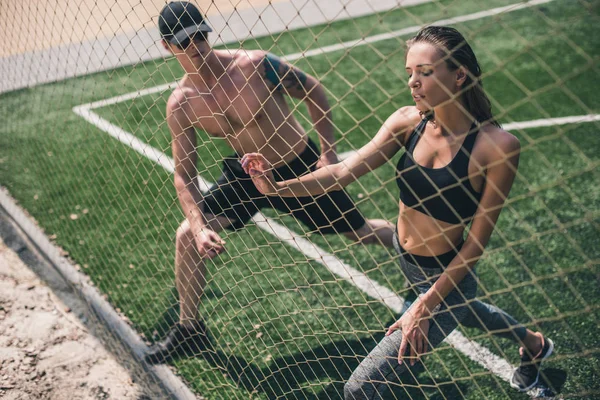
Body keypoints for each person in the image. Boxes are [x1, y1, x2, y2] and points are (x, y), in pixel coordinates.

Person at [241, 26, 554, 397]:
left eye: (424, 72)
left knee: (361, 387)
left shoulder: (497, 147)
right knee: (472, 310)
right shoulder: (408, 122)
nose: (413, 83)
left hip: (447, 279)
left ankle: (522, 341)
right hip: (407, 260)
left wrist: (424, 305)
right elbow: (341, 172)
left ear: (459, 75)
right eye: (409, 74)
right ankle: (534, 343)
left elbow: (474, 247)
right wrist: (277, 187)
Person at [145, 1, 395, 364]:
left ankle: (425, 252)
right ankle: (190, 329)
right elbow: (184, 174)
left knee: (361, 232)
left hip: (298, 167)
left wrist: (328, 152)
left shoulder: (255, 65)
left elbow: (314, 90)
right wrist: (200, 228)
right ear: (168, 47)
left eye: (201, 34)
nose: (197, 45)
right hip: (246, 173)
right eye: (185, 41)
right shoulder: (182, 104)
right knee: (186, 235)